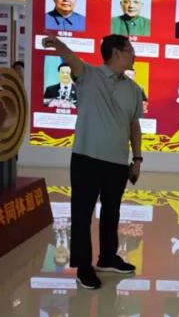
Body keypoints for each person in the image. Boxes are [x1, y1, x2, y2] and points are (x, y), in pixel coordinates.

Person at [41, 33, 145, 290]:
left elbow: (134, 126)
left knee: (112, 213)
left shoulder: (133, 89)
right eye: (130, 50)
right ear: (116, 53)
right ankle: (83, 268)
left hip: (117, 163)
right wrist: (58, 44)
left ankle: (107, 258)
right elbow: (71, 58)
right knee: (82, 214)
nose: (134, 54)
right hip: (86, 159)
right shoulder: (89, 75)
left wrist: (137, 159)